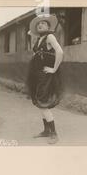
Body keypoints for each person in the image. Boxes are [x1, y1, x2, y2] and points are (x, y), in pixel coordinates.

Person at [27, 14, 64, 144]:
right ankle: (46, 131)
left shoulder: (50, 36)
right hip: (37, 75)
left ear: (48, 26)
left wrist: (53, 69)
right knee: (39, 102)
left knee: (43, 103)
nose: (40, 25)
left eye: (43, 23)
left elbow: (60, 52)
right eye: (38, 24)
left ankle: (54, 133)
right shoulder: (38, 40)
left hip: (46, 74)